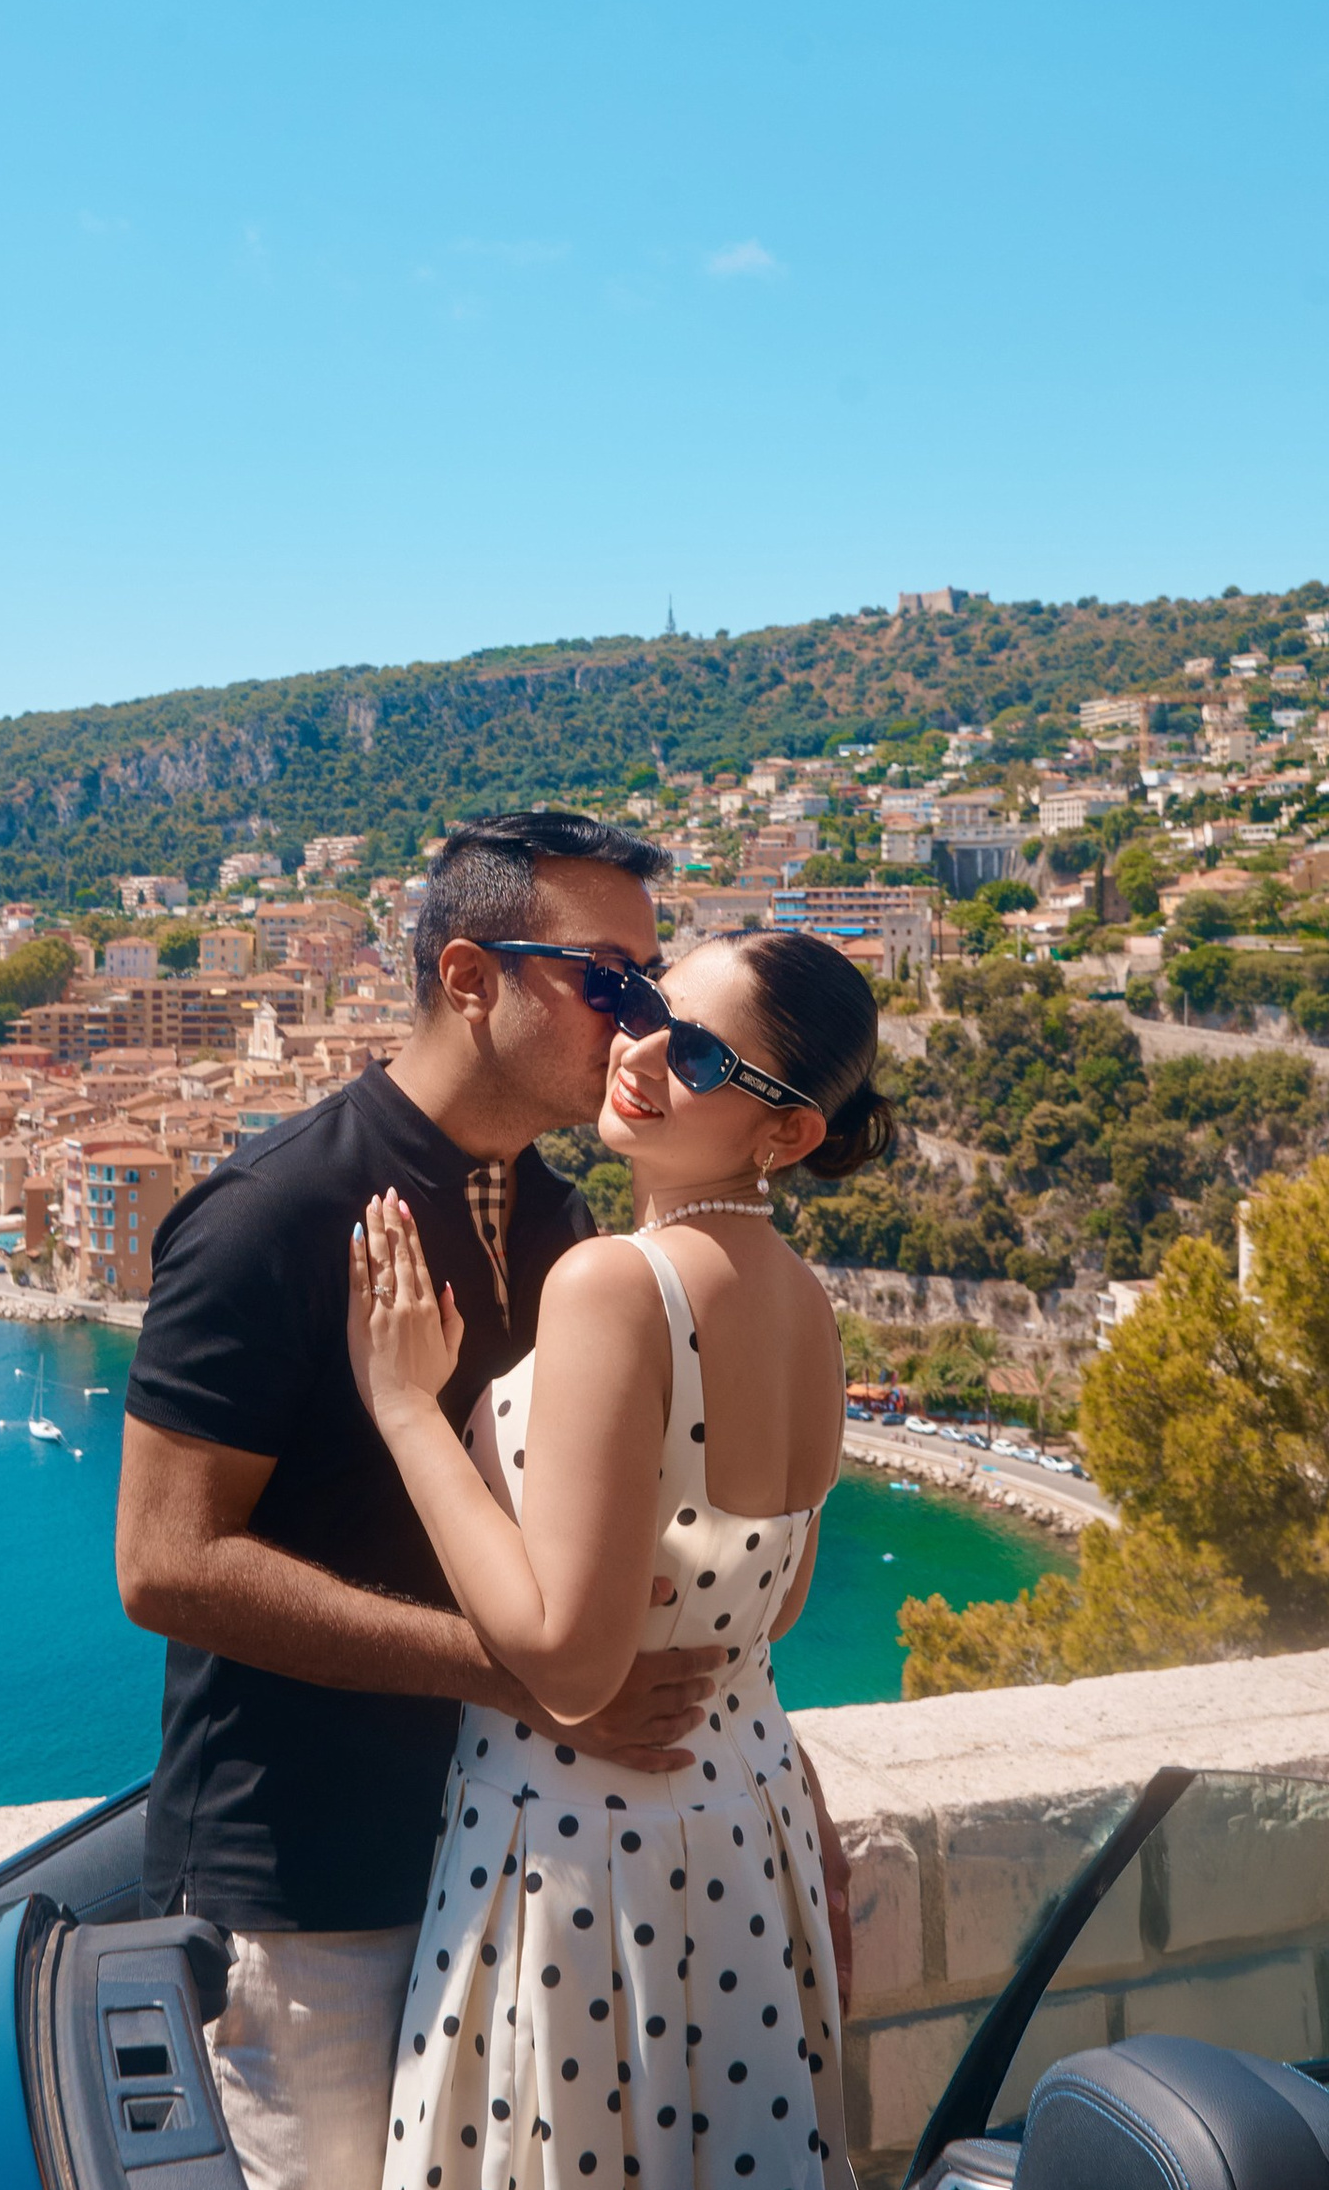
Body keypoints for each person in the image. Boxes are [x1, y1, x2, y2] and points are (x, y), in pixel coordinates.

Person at [118, 813, 849, 2190]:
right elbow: (165, 1562)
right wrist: (527, 1682)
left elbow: (666, 1557)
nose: (635, 1023)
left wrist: (774, 1783)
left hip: (517, 1861)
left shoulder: (571, 1227)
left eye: (652, 987)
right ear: (469, 977)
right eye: (608, 981)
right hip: (319, 1888)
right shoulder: (268, 1215)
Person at [347, 926, 894, 2190]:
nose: (638, 1053)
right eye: (646, 1011)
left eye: (696, 1055)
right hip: (744, 1831)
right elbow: (772, 1607)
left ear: (787, 1132)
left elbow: (568, 1664)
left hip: (585, 1854)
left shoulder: (612, 1284)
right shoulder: (808, 1305)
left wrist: (406, 1410)